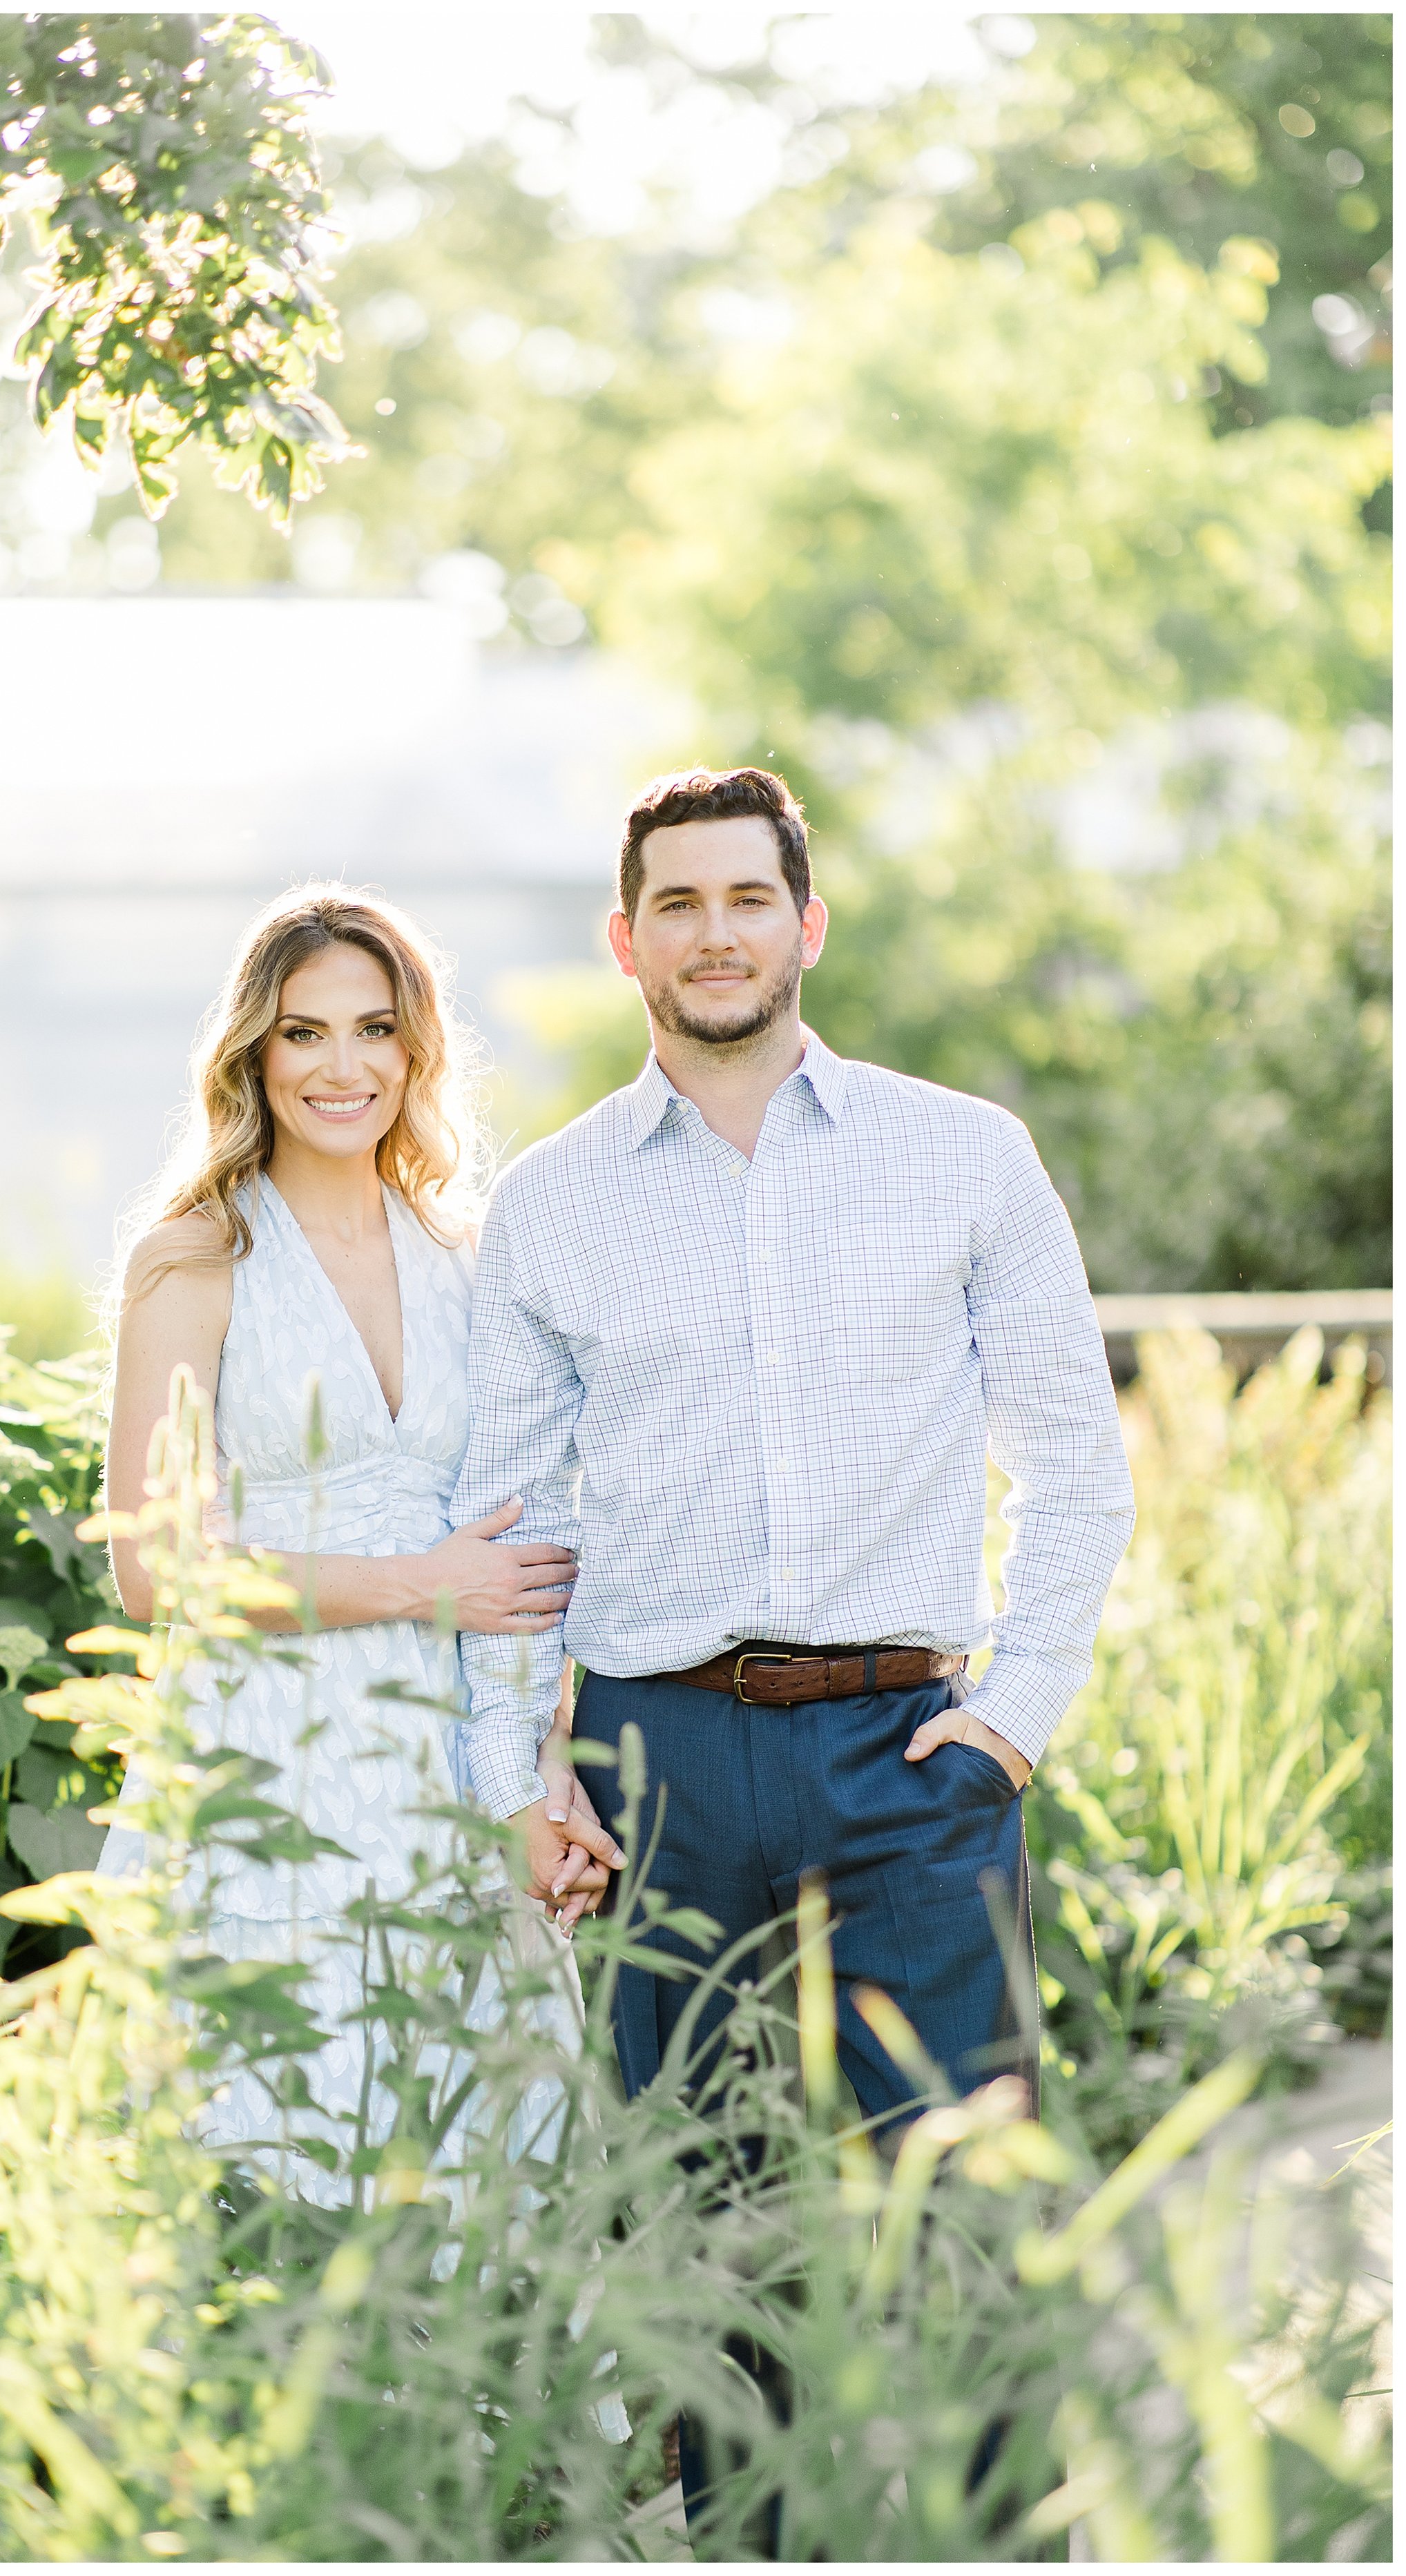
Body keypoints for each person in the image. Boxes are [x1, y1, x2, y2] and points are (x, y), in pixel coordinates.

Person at [448, 767, 1136, 2535]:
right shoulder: (550, 1203)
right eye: (673, 904)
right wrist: (513, 1774)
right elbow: (507, 1528)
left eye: (744, 898)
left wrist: (1018, 1714)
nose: (713, 933)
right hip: (653, 1761)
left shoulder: (961, 1154)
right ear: (624, 944)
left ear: (805, 924)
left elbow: (1072, 1452)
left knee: (970, 2203)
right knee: (706, 2223)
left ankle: (1004, 2548)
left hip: (910, 1759)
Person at [96, 885, 624, 2177]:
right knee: (280, 2131)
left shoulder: (474, 1254)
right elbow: (151, 1567)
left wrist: (542, 1765)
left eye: (375, 1030)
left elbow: (531, 1541)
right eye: (304, 1034)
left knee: (474, 2147)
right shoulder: (192, 1260)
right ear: (253, 1055)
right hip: (266, 1751)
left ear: (416, 1051)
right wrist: (417, 1587)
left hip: (453, 1761)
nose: (343, 1067)